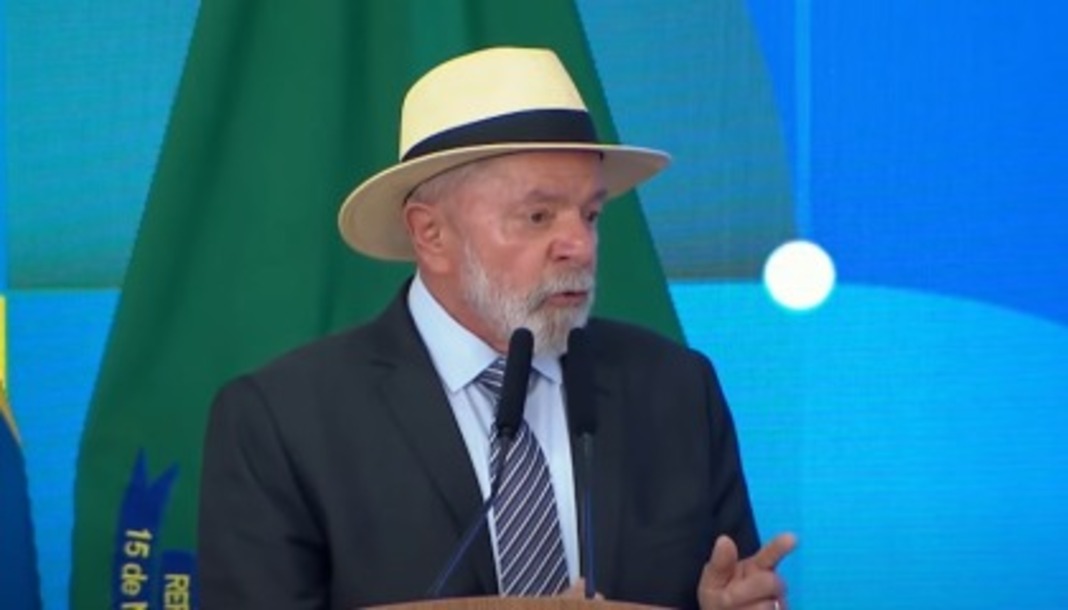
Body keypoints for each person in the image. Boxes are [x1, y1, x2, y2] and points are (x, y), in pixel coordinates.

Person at [198, 46, 795, 610]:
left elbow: (733, 581)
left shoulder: (676, 390)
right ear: (431, 234)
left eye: (590, 214)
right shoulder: (284, 421)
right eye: (538, 216)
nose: (580, 245)